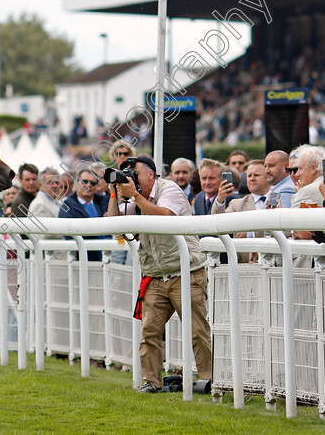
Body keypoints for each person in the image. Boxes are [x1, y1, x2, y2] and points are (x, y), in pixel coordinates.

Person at [106, 156, 211, 393]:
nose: (131, 179)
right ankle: (151, 382)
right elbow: (115, 226)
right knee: (150, 332)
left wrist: (135, 196)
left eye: (135, 174)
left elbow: (164, 216)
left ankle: (208, 380)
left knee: (197, 330)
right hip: (155, 275)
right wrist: (114, 194)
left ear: (151, 175)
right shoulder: (135, 198)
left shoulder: (169, 189)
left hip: (186, 272)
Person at [59, 168, 108, 261]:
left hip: (106, 257)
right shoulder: (66, 206)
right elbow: (68, 234)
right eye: (84, 182)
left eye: (93, 183)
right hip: (81, 259)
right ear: (76, 183)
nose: (88, 185)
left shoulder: (104, 203)